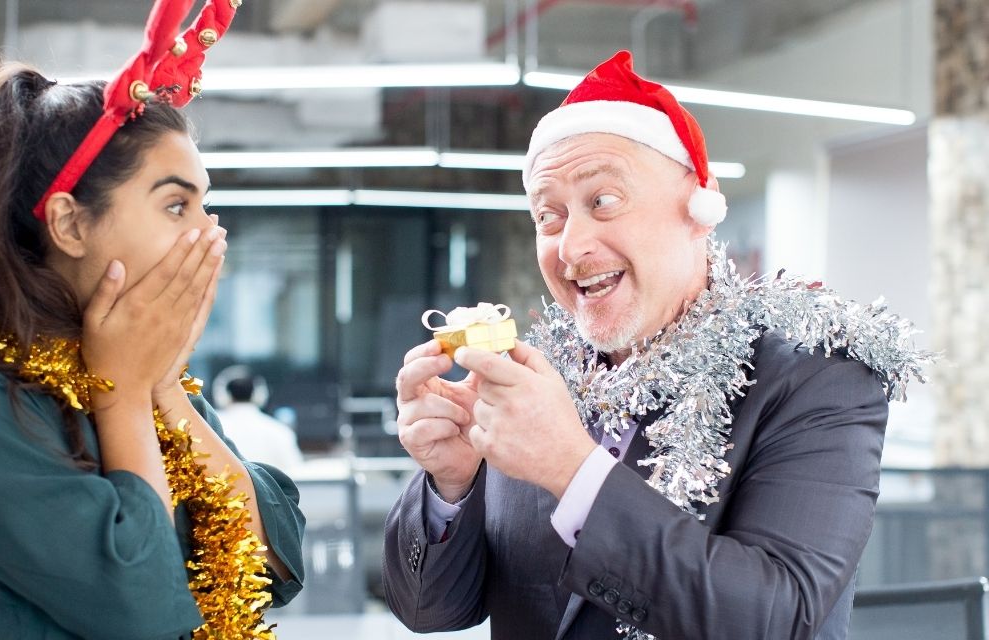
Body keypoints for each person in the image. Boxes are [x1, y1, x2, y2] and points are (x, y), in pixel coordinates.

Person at [383, 50, 931, 640]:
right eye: (549, 217)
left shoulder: (819, 383)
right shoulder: (535, 381)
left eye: (603, 202)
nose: (570, 247)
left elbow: (775, 619)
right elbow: (429, 613)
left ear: (700, 207)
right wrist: (453, 483)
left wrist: (572, 468)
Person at [0, 1, 304, 637]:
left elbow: (272, 562)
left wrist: (164, 390)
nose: (209, 234)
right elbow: (139, 607)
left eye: (206, 205)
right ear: (70, 223)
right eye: (175, 205)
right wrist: (127, 396)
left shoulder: (148, 375)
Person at [214, 365, 305, 472]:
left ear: (221, 396)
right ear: (260, 395)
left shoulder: (209, 428)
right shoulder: (279, 431)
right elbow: (296, 473)